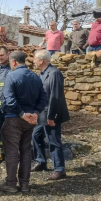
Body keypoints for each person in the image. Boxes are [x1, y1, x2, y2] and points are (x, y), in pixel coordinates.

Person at [0, 51, 48, 193]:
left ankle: (11, 184)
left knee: (12, 152)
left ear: (13, 62)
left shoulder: (11, 76)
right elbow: (43, 98)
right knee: (26, 151)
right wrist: (35, 113)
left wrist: (22, 114)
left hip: (14, 118)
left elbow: (9, 99)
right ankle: (25, 184)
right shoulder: (35, 77)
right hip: (30, 121)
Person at [32, 50, 70, 180]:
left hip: (50, 114)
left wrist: (51, 116)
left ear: (41, 60)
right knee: (36, 136)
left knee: (53, 141)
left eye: (35, 59)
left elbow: (55, 96)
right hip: (42, 114)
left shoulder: (54, 73)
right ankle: (41, 162)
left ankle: (59, 169)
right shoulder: (43, 73)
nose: (33, 61)